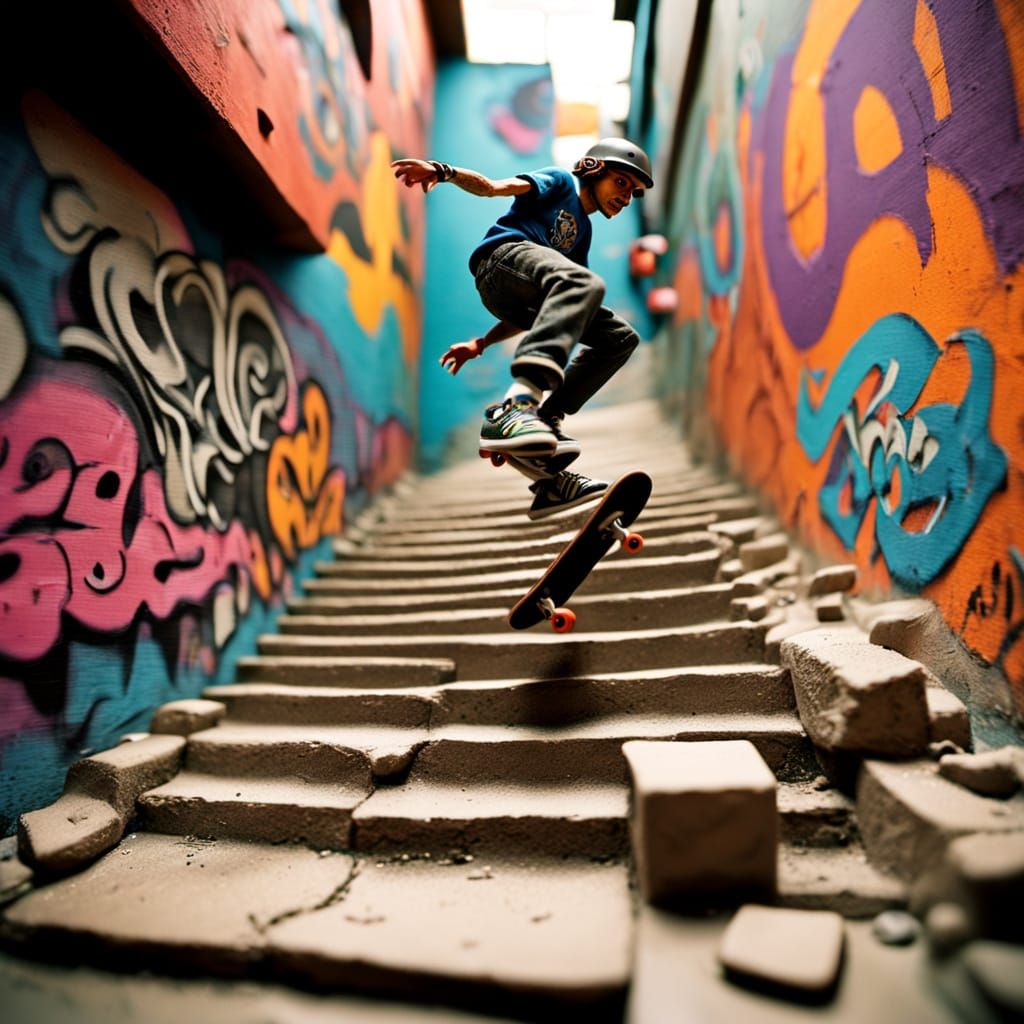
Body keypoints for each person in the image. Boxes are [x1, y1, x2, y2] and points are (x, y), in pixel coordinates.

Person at [392, 138, 654, 518]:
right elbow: (494, 187)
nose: (626, 198)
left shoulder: (583, 236)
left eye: (633, 194)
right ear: (594, 169)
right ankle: (519, 405)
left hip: (520, 292)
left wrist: (481, 343)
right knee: (584, 284)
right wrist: (444, 171)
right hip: (502, 259)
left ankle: (547, 464)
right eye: (621, 184)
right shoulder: (560, 181)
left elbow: (545, 307)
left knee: (619, 338)